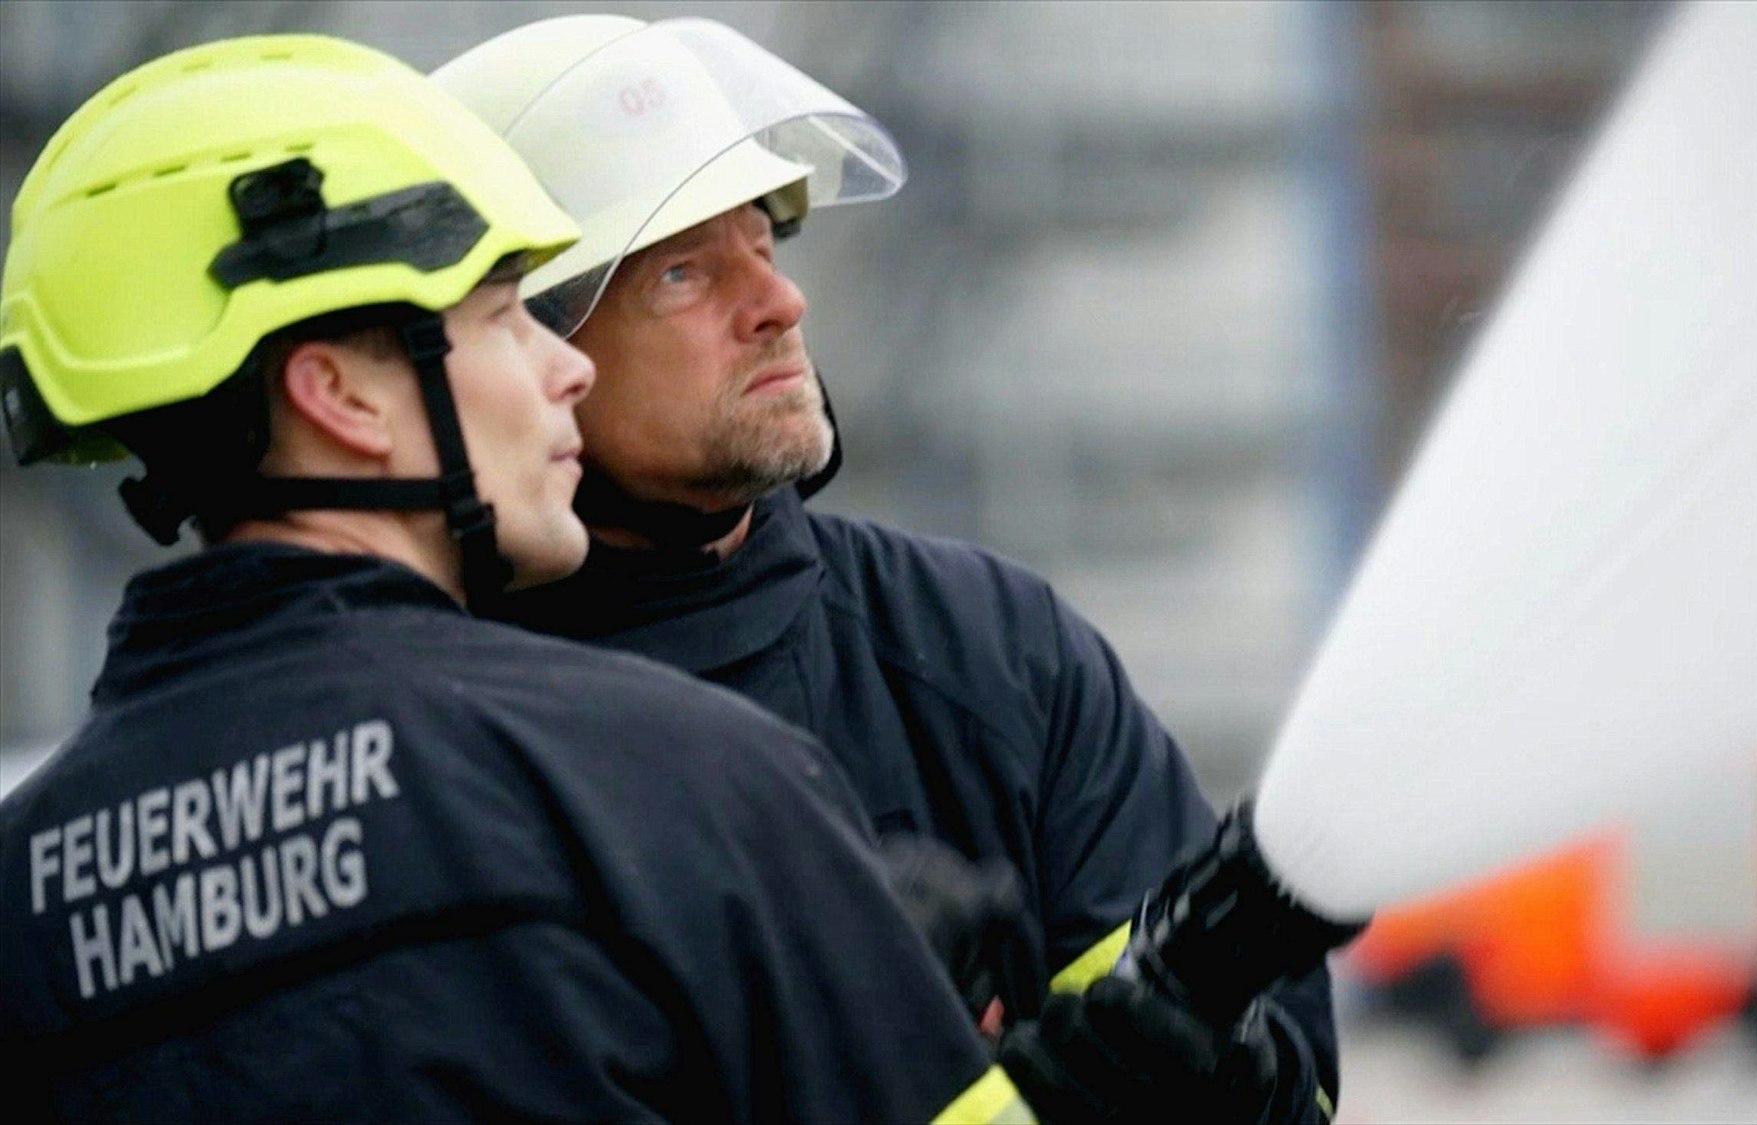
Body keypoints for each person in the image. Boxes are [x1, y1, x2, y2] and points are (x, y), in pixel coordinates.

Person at [0, 35, 1026, 1123]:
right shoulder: (664, 776)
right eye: (499, 317)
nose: (565, 366)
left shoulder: (24, 891)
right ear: (339, 395)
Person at [435, 16, 1343, 1120]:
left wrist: (1219, 1066)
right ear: (526, 348)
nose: (778, 303)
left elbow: (1276, 1073)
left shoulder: (983, 649)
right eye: (680, 272)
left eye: (762, 245)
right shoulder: (431, 722)